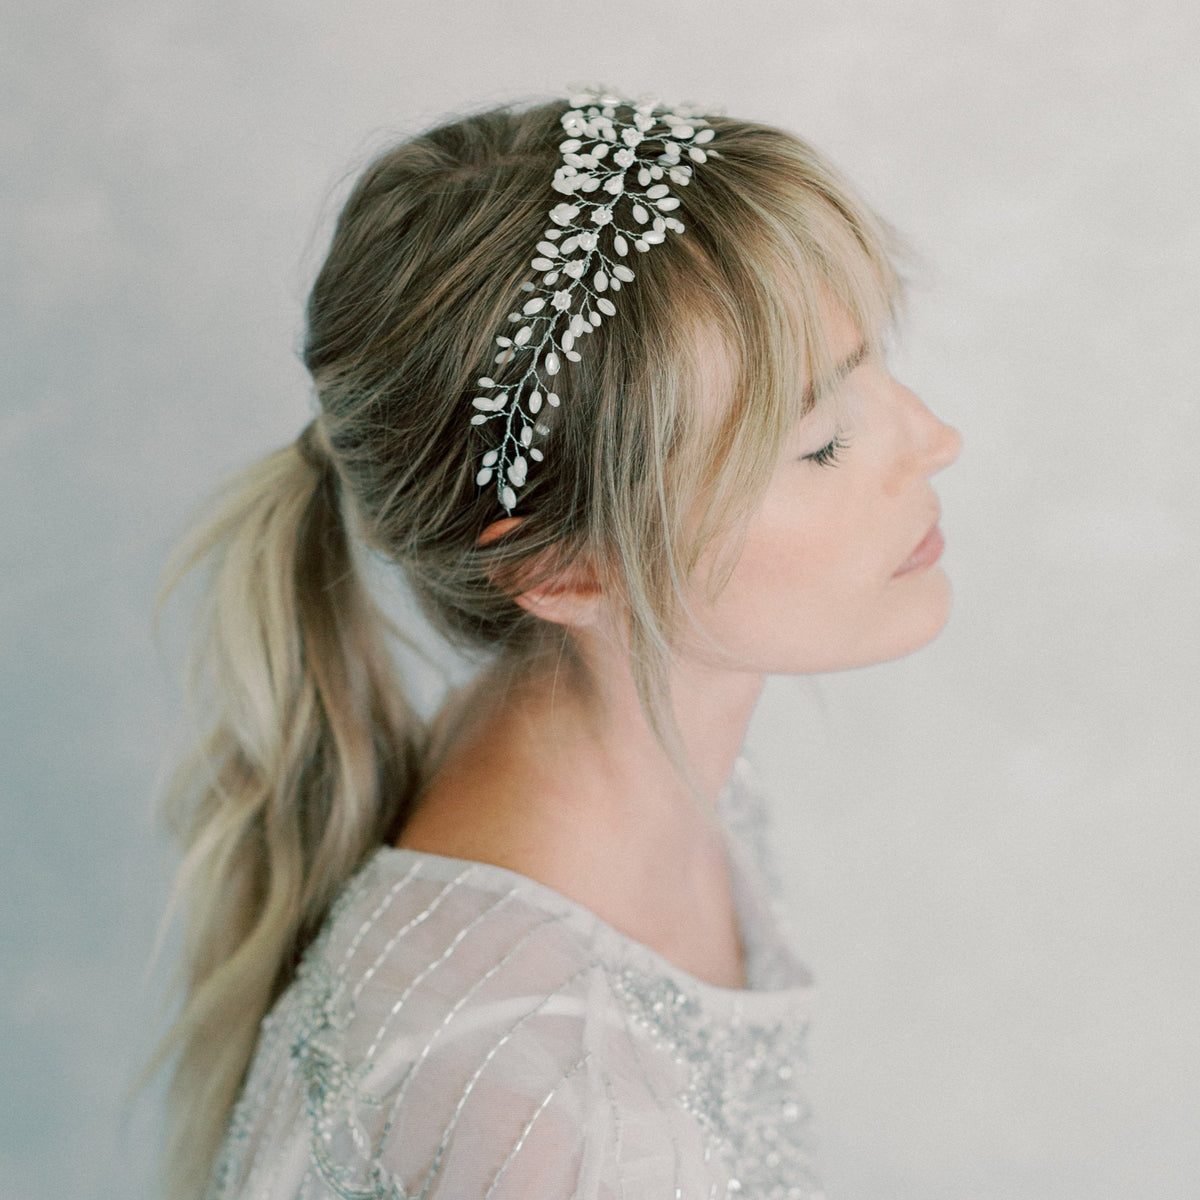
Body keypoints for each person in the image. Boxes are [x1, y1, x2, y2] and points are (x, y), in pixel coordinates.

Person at [149, 87, 961, 1200]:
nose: (936, 440)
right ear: (560, 570)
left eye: (878, 363)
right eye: (819, 443)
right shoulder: (544, 1112)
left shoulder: (639, 773)